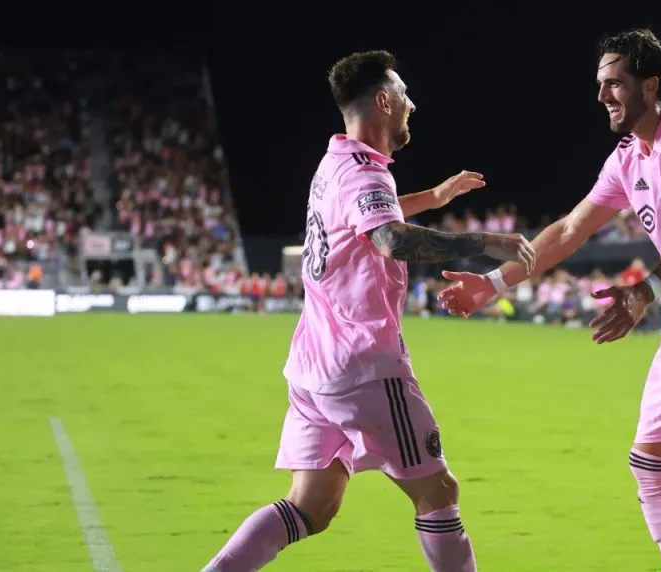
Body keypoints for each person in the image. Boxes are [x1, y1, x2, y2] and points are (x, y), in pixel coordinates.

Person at [438, 28, 661, 572]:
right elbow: (570, 228)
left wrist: (644, 292)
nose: (602, 96)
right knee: (648, 463)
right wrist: (494, 282)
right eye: (599, 84)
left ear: (651, 84)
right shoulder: (627, 158)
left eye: (614, 83)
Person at [200, 50, 535, 572]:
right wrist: (486, 241)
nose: (412, 104)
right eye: (404, 94)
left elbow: (372, 212)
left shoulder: (335, 161)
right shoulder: (365, 176)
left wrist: (435, 195)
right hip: (363, 366)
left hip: (312, 366)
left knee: (310, 506)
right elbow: (389, 238)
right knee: (438, 491)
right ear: (383, 101)